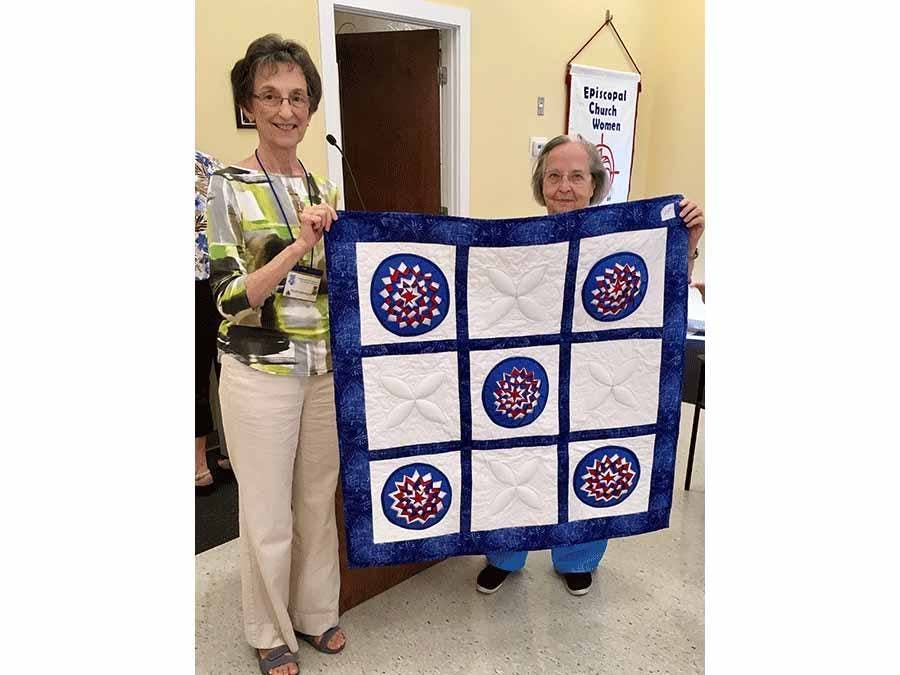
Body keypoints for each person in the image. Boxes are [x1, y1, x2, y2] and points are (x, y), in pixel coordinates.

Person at [475, 133, 705, 598]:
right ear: (541, 186)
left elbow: (658, 291)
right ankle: (505, 554)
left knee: (589, 455)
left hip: (594, 376)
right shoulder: (515, 244)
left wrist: (689, 242)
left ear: (595, 184)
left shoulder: (620, 241)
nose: (564, 186)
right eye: (553, 176)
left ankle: (577, 558)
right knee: (512, 458)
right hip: (525, 374)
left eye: (576, 176)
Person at [206, 34, 345, 675]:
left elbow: (338, 282)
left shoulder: (325, 184)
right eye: (270, 96)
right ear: (248, 105)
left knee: (316, 498)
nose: (285, 109)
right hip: (260, 370)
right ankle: (268, 630)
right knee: (265, 508)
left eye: (297, 97)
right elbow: (231, 298)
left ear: (310, 108)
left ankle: (316, 614)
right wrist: (296, 245)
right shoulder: (226, 187)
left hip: (324, 368)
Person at [195, 149, 230, 494]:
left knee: (196, 377)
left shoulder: (211, 166)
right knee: (225, 371)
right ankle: (232, 455)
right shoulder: (214, 165)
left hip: (200, 282)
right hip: (225, 278)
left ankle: (198, 466)